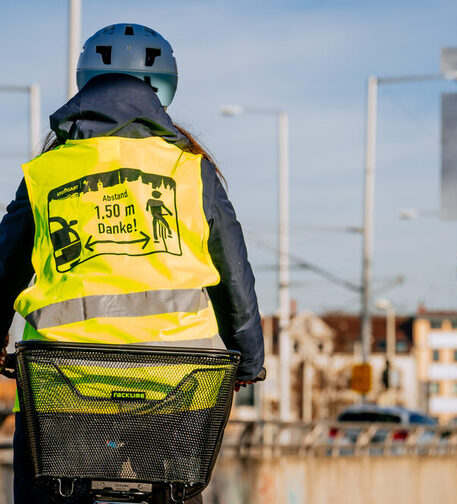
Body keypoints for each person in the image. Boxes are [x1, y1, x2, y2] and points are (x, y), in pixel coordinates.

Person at [0, 23, 265, 504]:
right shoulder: (190, 169)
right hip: (178, 384)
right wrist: (248, 357)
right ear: (163, 91)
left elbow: (4, 271)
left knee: (43, 484)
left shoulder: (46, 172)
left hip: (65, 382)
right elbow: (234, 275)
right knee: (176, 487)